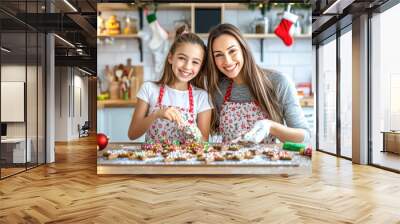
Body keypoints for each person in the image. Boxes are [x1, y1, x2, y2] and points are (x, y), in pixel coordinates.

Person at [206, 23, 310, 144]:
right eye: (219, 55)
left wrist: (270, 126)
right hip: (230, 161)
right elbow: (211, 132)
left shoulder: (278, 82)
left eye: (232, 51)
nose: (227, 61)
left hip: (268, 162)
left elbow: (305, 137)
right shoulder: (218, 90)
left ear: (243, 49)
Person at [128, 26, 212, 143]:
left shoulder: (202, 97)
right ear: (171, 58)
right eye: (182, 58)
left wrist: (189, 129)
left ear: (201, 66)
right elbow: (132, 134)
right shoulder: (149, 89)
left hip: (186, 160)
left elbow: (204, 141)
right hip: (153, 160)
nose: (187, 66)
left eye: (195, 62)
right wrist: (156, 115)